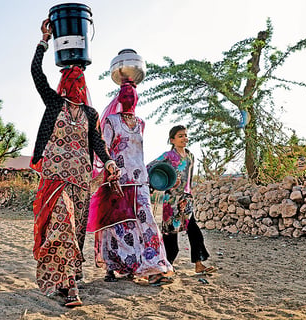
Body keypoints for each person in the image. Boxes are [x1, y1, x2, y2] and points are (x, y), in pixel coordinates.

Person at [30, 18, 120, 308]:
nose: (75, 82)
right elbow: (36, 73)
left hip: (81, 180)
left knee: (76, 230)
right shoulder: (54, 104)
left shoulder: (91, 114)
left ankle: (66, 278)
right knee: (62, 226)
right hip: (55, 179)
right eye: (71, 78)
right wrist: (44, 42)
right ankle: (69, 288)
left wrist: (107, 162)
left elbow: (96, 143)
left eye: (78, 78)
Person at [89, 79, 173, 285]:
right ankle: (112, 265)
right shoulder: (111, 121)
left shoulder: (141, 123)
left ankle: (154, 266)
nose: (129, 98)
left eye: (132, 95)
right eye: (125, 95)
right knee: (115, 224)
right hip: (118, 180)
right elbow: (103, 149)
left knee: (147, 222)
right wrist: (110, 173)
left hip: (140, 180)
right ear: (119, 98)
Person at [148, 125, 216, 275]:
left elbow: (189, 179)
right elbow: (150, 167)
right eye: (180, 136)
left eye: (185, 135)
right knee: (171, 234)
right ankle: (166, 266)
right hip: (171, 200)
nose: (184, 138)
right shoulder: (167, 155)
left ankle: (199, 264)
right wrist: (156, 183)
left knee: (194, 230)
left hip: (186, 199)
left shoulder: (190, 156)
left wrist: (189, 194)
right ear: (172, 140)